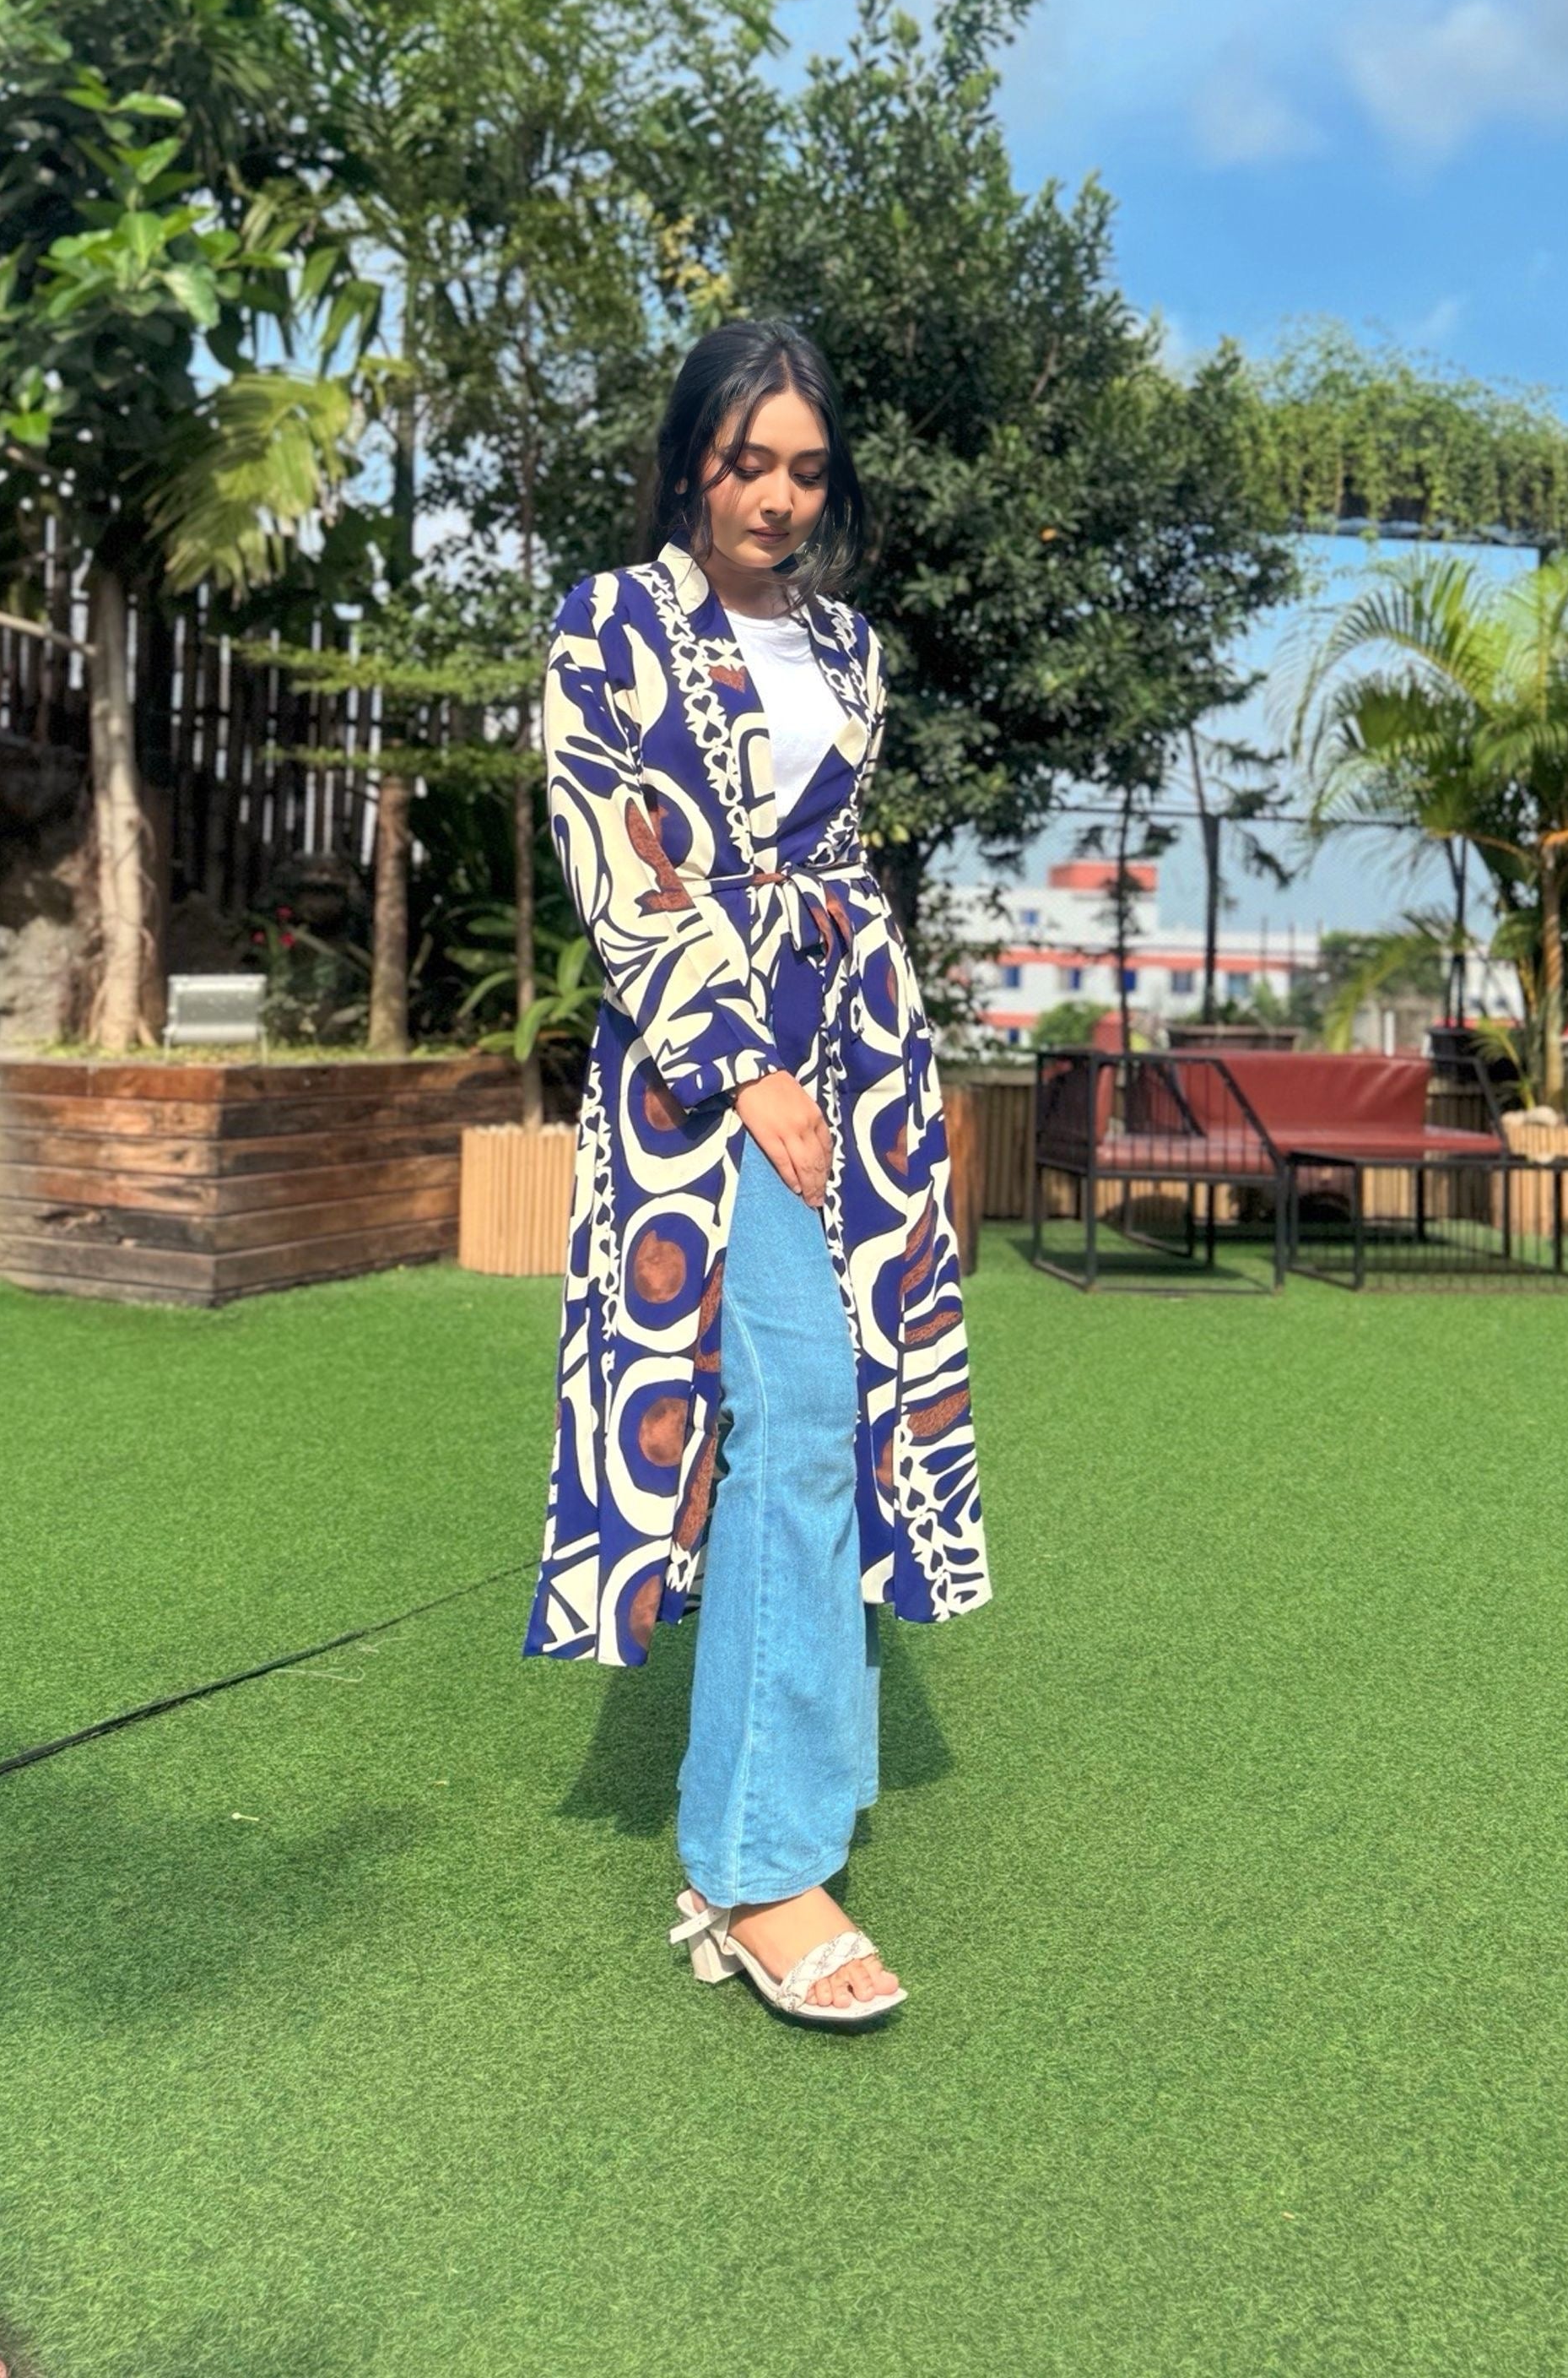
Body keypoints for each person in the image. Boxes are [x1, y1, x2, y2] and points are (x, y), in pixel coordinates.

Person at [523, 319, 990, 2027]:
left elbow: (844, 869)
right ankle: (753, 1865)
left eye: (805, 470)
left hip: (862, 1065)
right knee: (793, 1411)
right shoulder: (613, 625)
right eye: (747, 463)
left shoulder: (854, 650)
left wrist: (890, 1085)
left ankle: (796, 1787)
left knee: (855, 1411)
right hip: (705, 1072)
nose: (778, 499)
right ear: (688, 463)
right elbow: (610, 855)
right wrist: (741, 1062)